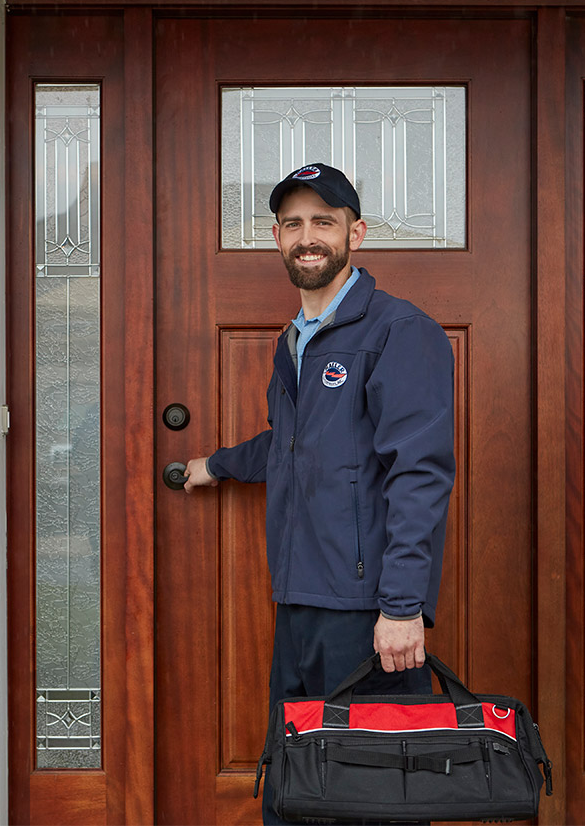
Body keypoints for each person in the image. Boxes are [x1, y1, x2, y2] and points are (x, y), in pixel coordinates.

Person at [183, 163, 456, 824]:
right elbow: (291, 446)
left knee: (371, 800)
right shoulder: (294, 342)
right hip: (299, 598)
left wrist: (401, 605)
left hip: (367, 612)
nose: (308, 237)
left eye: (324, 222)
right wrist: (215, 465)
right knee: (298, 785)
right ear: (277, 236)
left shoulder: (397, 331)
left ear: (355, 234)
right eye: (294, 223)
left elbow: (419, 472)